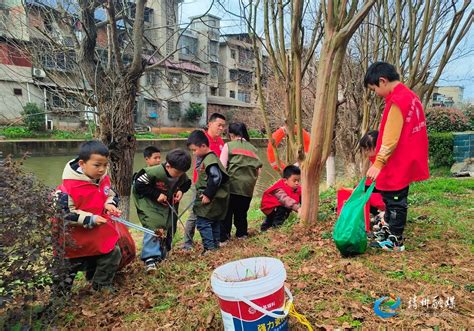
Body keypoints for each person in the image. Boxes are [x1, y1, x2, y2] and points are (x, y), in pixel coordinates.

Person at [364, 61, 429, 252]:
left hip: (398, 160)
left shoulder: (398, 101)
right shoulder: (411, 97)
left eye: (374, 88)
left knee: (395, 201)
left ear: (382, 81)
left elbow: (391, 138)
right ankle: (389, 231)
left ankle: (395, 240)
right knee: (392, 198)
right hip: (409, 156)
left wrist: (379, 162)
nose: (375, 93)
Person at [53, 140, 122, 293]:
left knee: (112, 253)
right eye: (97, 165)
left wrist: (110, 204)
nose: (102, 170)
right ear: (82, 163)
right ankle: (59, 297)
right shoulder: (66, 188)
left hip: (97, 236)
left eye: (105, 165)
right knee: (66, 270)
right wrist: (90, 218)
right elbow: (65, 213)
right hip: (72, 240)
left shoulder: (103, 180)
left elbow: (111, 194)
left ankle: (100, 285)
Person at [132, 149, 191, 272]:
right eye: (178, 172)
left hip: (167, 203)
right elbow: (139, 185)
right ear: (168, 166)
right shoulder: (153, 172)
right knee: (154, 226)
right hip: (150, 203)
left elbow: (187, 183)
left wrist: (181, 191)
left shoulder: (180, 172)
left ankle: (162, 254)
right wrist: (156, 194)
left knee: (169, 226)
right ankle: (150, 258)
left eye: (182, 173)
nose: (180, 175)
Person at [183, 113, 226, 250]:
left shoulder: (220, 142)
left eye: (223, 126)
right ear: (210, 124)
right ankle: (187, 243)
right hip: (202, 185)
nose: (221, 128)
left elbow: (218, 171)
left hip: (213, 187)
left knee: (212, 215)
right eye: (219, 125)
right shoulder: (201, 138)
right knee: (195, 214)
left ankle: (212, 245)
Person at [219, 122, 262, 243]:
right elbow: (258, 170)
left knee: (227, 213)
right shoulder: (253, 148)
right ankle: (241, 235)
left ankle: (224, 238)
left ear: (231, 134)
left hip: (232, 185)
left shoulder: (229, 146)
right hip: (248, 187)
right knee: (242, 213)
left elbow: (222, 167)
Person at [260, 165, 302, 231]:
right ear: (285, 180)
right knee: (281, 212)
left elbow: (301, 196)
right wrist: (298, 208)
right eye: (294, 181)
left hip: (280, 205)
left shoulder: (297, 188)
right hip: (271, 207)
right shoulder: (279, 189)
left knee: (283, 211)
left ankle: (267, 227)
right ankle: (276, 228)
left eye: (298, 180)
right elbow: (285, 199)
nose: (297, 183)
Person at [359, 130, 386, 233]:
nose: (366, 151)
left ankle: (383, 215)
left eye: (367, 148)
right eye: (364, 149)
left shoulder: (382, 161)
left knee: (364, 194)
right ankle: (379, 214)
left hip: (385, 193)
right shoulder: (373, 159)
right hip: (378, 189)